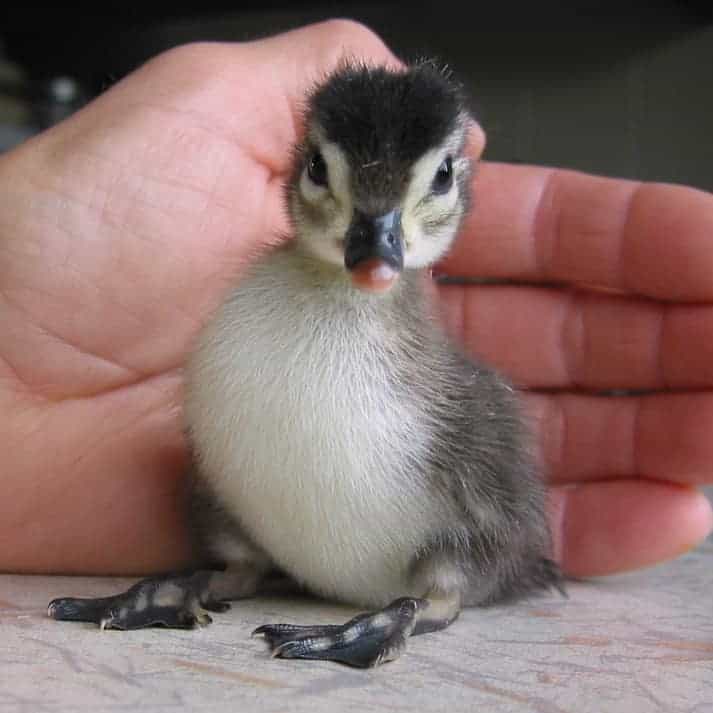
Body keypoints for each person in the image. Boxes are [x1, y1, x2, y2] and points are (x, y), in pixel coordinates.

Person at [1, 20, 711, 578]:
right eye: (325, 174)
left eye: (429, 187)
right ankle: (241, 565)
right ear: (300, 167)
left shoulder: (457, 402)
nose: (375, 247)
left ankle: (434, 592)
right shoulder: (241, 329)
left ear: (456, 188)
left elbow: (490, 499)